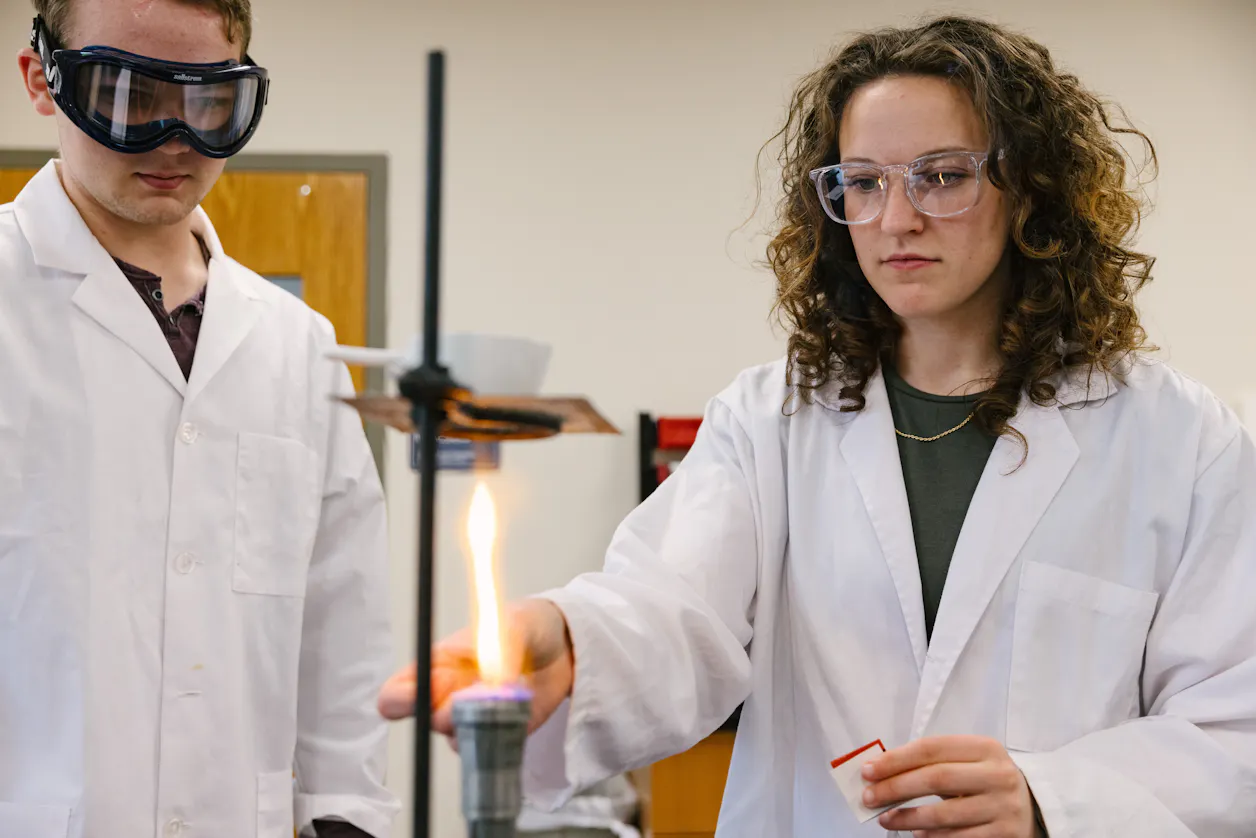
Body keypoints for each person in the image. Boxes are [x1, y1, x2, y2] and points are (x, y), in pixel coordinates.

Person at [380, 13, 1256, 838]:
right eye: (863, 183)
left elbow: (1236, 729)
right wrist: (566, 642)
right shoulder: (772, 422)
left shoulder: (1179, 443)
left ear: (1030, 189)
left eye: (942, 176)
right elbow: (673, 608)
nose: (896, 219)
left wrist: (1049, 799)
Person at [1, 1, 398, 836]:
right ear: (42, 80)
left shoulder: (298, 345)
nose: (174, 140)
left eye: (210, 102)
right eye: (128, 96)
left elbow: (344, 620)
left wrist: (344, 815)